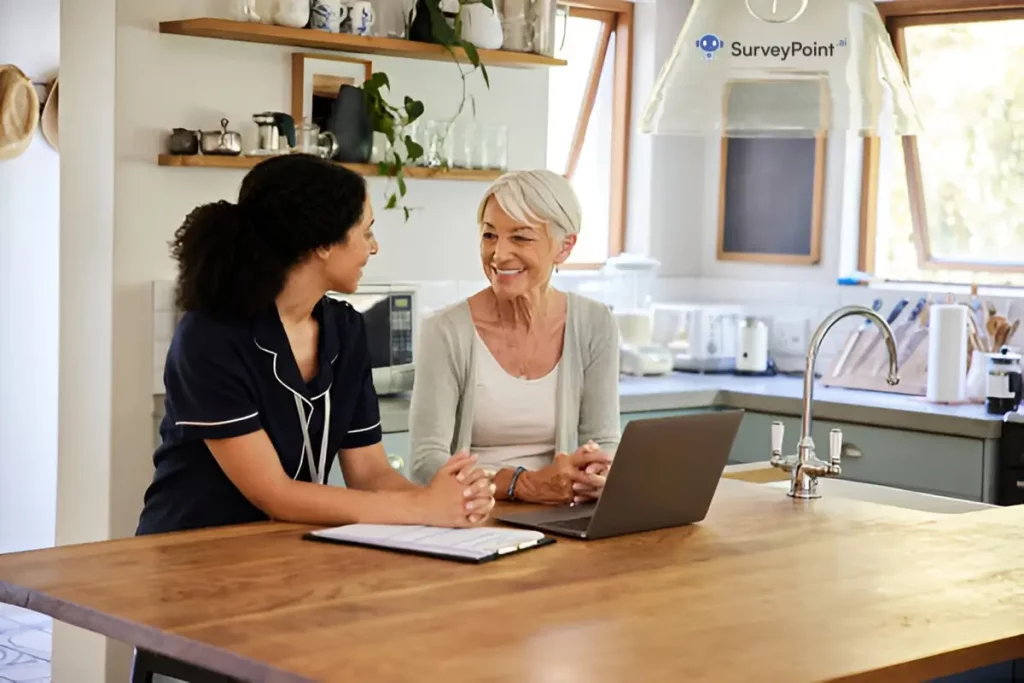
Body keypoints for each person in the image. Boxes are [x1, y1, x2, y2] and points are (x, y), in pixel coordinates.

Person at [135, 154, 495, 537]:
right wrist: (421, 506)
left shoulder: (346, 328)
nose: (373, 249)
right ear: (324, 243)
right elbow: (275, 494)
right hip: (190, 551)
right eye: (367, 231)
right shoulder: (210, 337)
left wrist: (450, 505)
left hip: (286, 550)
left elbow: (370, 472)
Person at [409, 169, 619, 506]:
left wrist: (595, 475)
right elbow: (426, 462)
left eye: (520, 238)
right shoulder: (446, 330)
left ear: (564, 247)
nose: (499, 254)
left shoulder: (595, 322)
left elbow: (605, 439)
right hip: (474, 515)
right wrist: (520, 484)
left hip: (562, 513)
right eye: (490, 235)